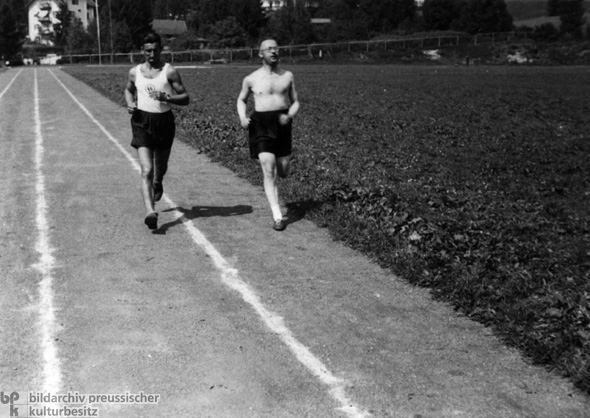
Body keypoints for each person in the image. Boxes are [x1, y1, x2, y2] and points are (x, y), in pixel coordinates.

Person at [124, 31, 190, 230]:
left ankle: (158, 182)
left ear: (160, 49)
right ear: (142, 51)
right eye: (147, 51)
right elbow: (128, 90)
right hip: (141, 121)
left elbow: (185, 98)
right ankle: (150, 212)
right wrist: (129, 103)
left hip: (164, 122)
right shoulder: (134, 72)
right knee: (147, 170)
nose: (151, 54)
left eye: (155, 50)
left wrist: (168, 98)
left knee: (159, 170)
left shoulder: (169, 71)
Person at [237, 39, 300, 231]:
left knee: (283, 169)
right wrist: (242, 116)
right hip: (260, 124)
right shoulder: (251, 78)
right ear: (260, 53)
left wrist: (289, 115)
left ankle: (284, 166)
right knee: (267, 167)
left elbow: (296, 102)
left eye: (276, 48)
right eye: (269, 49)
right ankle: (278, 216)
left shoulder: (288, 76)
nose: (274, 51)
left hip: (282, 122)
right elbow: (241, 99)